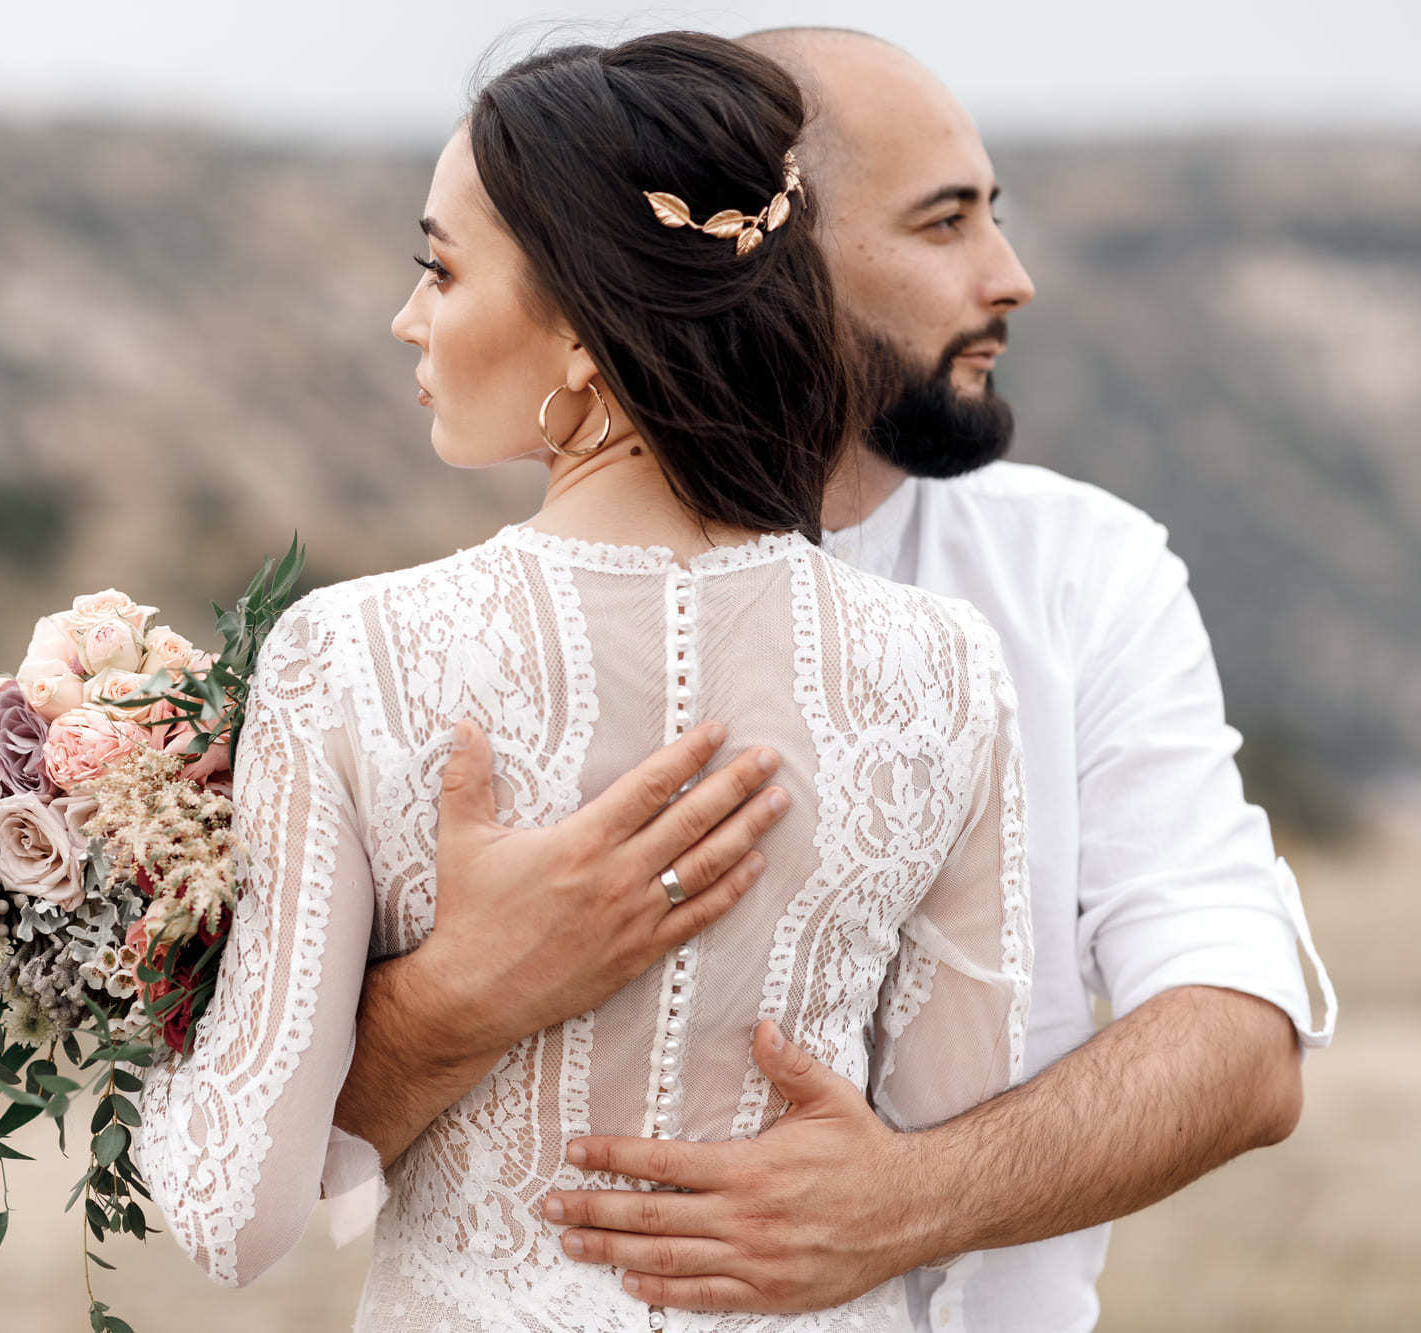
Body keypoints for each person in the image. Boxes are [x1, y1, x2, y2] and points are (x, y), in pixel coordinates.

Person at [325, 27, 1338, 1333]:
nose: (1011, 277)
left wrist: (908, 1201)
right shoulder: (446, 648)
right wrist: (468, 989)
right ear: (767, 256)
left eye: (996, 215)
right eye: (945, 223)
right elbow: (285, 1164)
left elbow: (1243, 1038)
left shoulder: (1085, 576)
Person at [134, 31, 1034, 1332]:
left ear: (579, 328)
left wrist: (134, 988)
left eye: (440, 269)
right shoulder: (945, 670)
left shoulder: (357, 657)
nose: (410, 316)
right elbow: (958, 1142)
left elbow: (233, 1216)